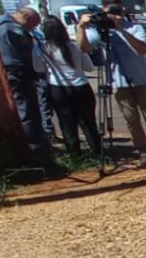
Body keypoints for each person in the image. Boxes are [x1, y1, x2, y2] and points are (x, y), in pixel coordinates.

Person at [76, 3, 146, 168]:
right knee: (132, 120)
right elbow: (84, 48)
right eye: (107, 14)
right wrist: (82, 27)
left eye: (116, 13)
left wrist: (121, 30)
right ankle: (144, 152)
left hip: (142, 79)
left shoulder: (134, 28)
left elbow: (143, 49)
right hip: (118, 82)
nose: (112, 17)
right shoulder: (98, 31)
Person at [0, 6, 56, 168]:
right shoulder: (12, 28)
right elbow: (27, 51)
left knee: (23, 110)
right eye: (32, 25)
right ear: (26, 19)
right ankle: (36, 150)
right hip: (18, 74)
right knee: (28, 111)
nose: (32, 29)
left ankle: (31, 147)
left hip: (9, 74)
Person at [41, 15, 102, 159]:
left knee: (67, 123)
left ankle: (75, 154)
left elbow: (38, 68)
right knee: (88, 122)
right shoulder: (75, 45)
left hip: (58, 89)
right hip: (81, 87)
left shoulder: (42, 48)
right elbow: (89, 67)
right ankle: (97, 152)